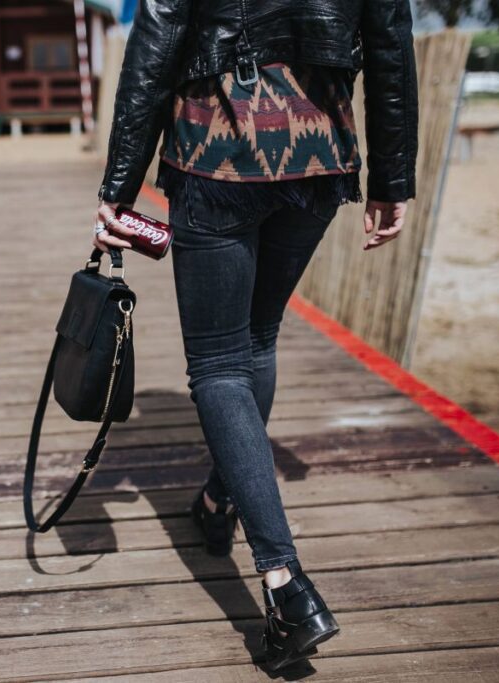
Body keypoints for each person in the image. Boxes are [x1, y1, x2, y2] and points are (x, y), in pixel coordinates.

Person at [91, 0, 418, 673]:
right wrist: (392, 177)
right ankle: (218, 499)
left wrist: (120, 184)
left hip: (218, 148)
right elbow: (389, 41)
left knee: (217, 364)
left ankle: (284, 583)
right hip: (320, 147)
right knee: (256, 337)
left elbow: (158, 34)